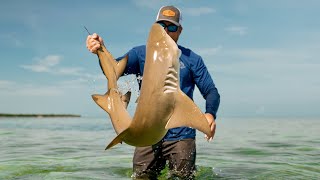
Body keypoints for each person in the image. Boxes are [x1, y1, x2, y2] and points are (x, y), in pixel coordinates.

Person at [86, 5, 220, 179]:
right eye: (161, 26)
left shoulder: (192, 59)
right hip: (146, 136)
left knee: (183, 178)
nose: (166, 31)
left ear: (180, 30)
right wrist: (100, 50)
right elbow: (112, 71)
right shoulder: (140, 53)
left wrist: (210, 114)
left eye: (171, 27)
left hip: (181, 136)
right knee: (141, 177)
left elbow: (211, 91)